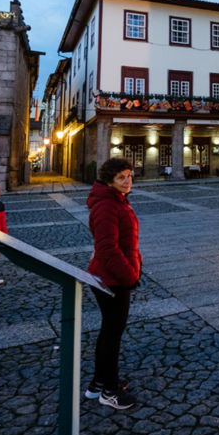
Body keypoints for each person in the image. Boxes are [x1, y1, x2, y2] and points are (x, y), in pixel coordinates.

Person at [85, 157, 141, 410]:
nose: (128, 180)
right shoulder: (107, 205)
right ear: (109, 180)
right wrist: (130, 276)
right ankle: (110, 390)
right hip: (112, 279)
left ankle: (98, 382)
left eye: (129, 175)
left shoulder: (115, 200)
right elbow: (107, 246)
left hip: (110, 275)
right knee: (112, 334)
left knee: (109, 331)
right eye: (121, 177)